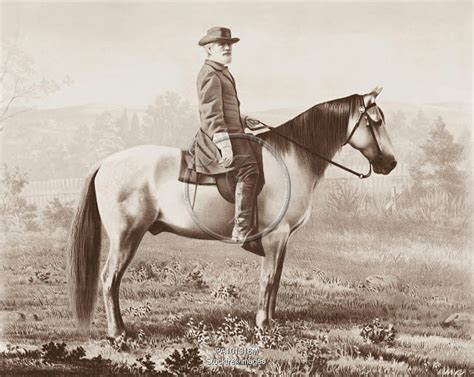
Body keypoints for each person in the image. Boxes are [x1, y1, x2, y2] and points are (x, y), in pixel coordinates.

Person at [193, 26, 264, 256]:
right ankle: (242, 230)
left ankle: (255, 224)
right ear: (208, 49)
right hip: (217, 137)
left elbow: (225, 107)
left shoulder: (223, 71)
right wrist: (223, 143)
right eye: (221, 44)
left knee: (261, 152)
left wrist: (244, 119)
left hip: (234, 132)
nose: (227, 47)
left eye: (229, 44)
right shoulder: (210, 74)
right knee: (249, 170)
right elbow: (211, 114)